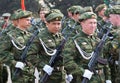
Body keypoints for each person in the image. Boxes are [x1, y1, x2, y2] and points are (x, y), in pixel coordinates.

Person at [62, 12, 111, 83]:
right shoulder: (74, 41)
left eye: (95, 23)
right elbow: (68, 62)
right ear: (82, 23)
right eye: (90, 23)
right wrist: (82, 72)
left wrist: (108, 78)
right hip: (84, 79)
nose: (93, 25)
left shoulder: (98, 41)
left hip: (101, 78)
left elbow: (104, 60)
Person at [0, 9, 36, 83]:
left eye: (30, 20)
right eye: (27, 20)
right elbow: (2, 52)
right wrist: (14, 63)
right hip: (19, 74)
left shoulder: (31, 36)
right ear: (20, 20)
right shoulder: (10, 35)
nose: (29, 22)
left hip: (31, 73)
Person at [34, 9, 67, 83]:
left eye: (58, 24)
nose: (57, 26)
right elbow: (31, 56)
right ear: (47, 23)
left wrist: (69, 72)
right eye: (54, 24)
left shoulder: (61, 38)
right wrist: (43, 66)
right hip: (48, 76)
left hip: (61, 76)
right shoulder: (40, 37)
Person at [104, 5, 120, 83]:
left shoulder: (118, 33)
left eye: (110, 17)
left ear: (116, 17)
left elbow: (111, 49)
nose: (109, 20)